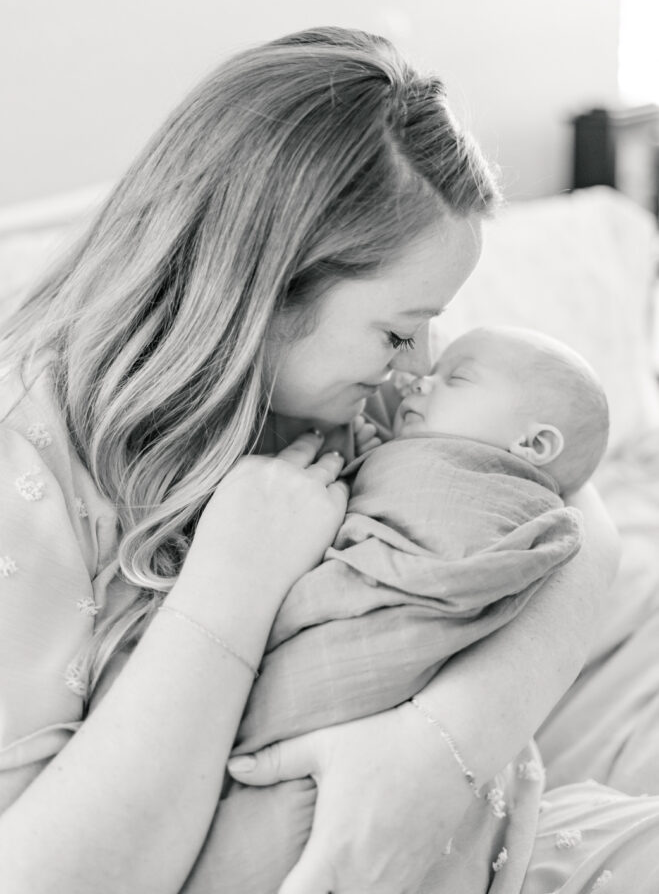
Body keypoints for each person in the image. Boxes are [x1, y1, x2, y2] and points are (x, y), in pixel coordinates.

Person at [0, 27, 658, 894]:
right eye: (396, 330)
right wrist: (233, 583)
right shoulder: (14, 452)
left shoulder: (363, 374)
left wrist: (437, 752)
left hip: (488, 841)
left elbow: (571, 521)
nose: (416, 365)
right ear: (265, 283)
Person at [182, 324, 613, 892]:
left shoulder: (494, 480)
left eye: (452, 378)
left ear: (533, 447)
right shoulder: (385, 407)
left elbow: (555, 544)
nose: (416, 378)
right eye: (400, 336)